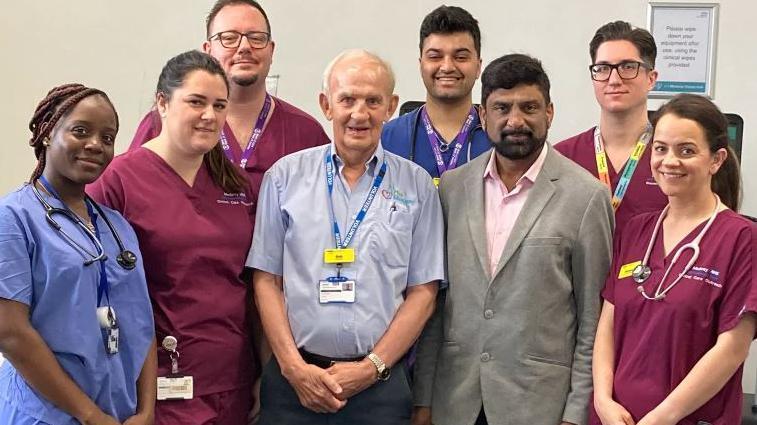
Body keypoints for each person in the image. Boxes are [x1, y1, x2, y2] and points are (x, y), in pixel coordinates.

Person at [413, 54, 614, 425]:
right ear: (482, 116)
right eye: (502, 108)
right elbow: (436, 305)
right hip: (456, 401)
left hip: (539, 406)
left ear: (549, 113)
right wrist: (423, 399)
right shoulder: (452, 189)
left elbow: (593, 319)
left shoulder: (586, 197)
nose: (516, 120)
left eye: (529, 107)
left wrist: (576, 412)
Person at [248, 49, 445, 425]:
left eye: (373, 101)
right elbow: (266, 279)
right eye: (347, 99)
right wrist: (292, 368)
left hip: (380, 388)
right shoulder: (284, 178)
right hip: (295, 384)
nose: (359, 113)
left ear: (391, 106)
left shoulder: (418, 185)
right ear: (326, 104)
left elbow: (423, 291)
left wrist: (371, 368)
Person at [88, 51, 254, 425]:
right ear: (162, 103)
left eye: (219, 105)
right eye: (196, 102)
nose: (209, 115)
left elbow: (251, 284)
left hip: (231, 378)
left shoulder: (235, 185)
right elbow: (94, 291)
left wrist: (262, 376)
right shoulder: (118, 182)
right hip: (155, 385)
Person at [591, 94, 756, 425]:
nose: (669, 161)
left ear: (716, 159)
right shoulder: (638, 230)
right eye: (661, 148)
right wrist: (602, 400)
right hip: (616, 417)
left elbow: (732, 348)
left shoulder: (741, 238)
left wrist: (663, 417)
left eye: (687, 150)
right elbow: (608, 324)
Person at [0, 84, 156, 424]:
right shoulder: (13, 218)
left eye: (108, 137)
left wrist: (146, 410)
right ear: (46, 133)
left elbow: (141, 323)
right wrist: (88, 415)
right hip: (46, 415)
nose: (95, 145)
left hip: (118, 413)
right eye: (80, 131)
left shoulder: (117, 226)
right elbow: (9, 332)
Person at [129, 0, 329, 216]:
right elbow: (130, 193)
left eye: (256, 38)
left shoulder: (306, 133)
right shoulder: (164, 123)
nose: (244, 47)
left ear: (271, 50)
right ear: (208, 50)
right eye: (229, 38)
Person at [555, 21, 667, 233]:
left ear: (651, 79)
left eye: (627, 67)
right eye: (603, 69)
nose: (614, 80)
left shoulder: (671, 157)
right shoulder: (562, 158)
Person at [381, 5, 490, 186]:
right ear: (421, 64)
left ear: (478, 67)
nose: (447, 67)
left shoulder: (497, 139)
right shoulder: (387, 138)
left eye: (461, 57)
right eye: (435, 56)